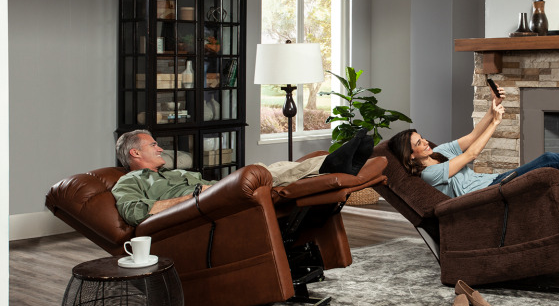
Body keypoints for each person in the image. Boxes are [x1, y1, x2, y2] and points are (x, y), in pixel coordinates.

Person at [387, 85, 559, 198]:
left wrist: (492, 109)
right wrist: (495, 124)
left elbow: (470, 139)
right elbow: (469, 156)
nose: (426, 143)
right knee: (550, 159)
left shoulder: (438, 152)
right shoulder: (430, 174)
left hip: (498, 178)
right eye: (419, 143)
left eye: (422, 138)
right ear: (411, 156)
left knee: (558, 172)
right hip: (489, 193)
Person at [112, 129, 373, 226]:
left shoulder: (172, 172)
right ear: (135, 152)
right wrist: (192, 196)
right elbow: (135, 213)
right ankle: (333, 163)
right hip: (207, 204)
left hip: (220, 191)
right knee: (260, 172)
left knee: (274, 175)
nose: (160, 148)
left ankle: (331, 165)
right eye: (154, 145)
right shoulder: (129, 182)